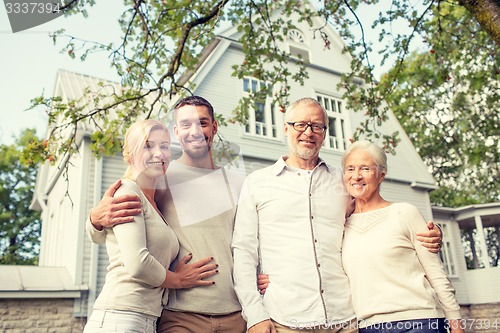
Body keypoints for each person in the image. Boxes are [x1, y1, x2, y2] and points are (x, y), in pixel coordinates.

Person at [231, 97, 443, 333]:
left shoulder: (342, 181)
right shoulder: (258, 183)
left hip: (346, 319)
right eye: (300, 124)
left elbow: (373, 219)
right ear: (286, 128)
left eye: (317, 126)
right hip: (286, 319)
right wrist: (254, 314)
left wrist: (429, 233)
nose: (308, 132)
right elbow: (243, 251)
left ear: (324, 133)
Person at [86, 96, 247, 333]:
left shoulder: (238, 183)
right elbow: (115, 223)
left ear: (214, 127)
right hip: (179, 313)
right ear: (177, 131)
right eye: (185, 125)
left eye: (202, 123)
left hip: (234, 312)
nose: (195, 131)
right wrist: (94, 220)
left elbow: (251, 241)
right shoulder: (158, 176)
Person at [340, 140, 463, 333]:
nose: (356, 176)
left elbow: (437, 274)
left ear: (381, 175)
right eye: (350, 169)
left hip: (420, 322)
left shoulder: (405, 213)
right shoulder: (342, 226)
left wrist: (456, 325)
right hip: (368, 326)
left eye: (365, 168)